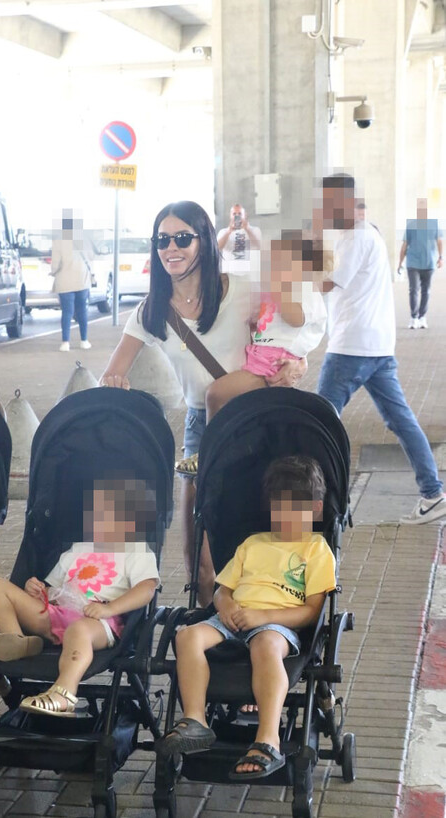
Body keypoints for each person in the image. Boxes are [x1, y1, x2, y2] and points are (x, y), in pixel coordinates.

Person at [99, 201, 307, 606]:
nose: (171, 248)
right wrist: (114, 383)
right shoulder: (151, 311)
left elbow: (292, 340)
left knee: (256, 528)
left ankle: (262, 614)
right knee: (197, 545)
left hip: (253, 418)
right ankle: (206, 617)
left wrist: (299, 365)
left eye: (182, 238)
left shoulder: (242, 290)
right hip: (201, 425)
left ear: (205, 241)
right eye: (162, 240)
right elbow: (112, 372)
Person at [158, 456, 336, 781]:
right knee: (186, 635)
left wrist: (263, 616)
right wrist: (225, 605)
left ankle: (268, 738)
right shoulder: (253, 544)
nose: (287, 518)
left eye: (297, 510)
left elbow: (312, 610)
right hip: (234, 618)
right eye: (280, 509)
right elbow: (222, 590)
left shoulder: (316, 549)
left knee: (266, 644)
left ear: (316, 509)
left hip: (278, 623)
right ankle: (195, 720)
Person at [316, 174, 446, 525]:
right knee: (400, 420)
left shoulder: (356, 237)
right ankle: (433, 493)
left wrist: (292, 271)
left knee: (317, 421)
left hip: (351, 348)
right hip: (377, 347)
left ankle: (323, 504)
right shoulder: (362, 235)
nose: (324, 210)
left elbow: (328, 282)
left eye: (328, 203)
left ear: (346, 202)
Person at [0, 479, 159, 716]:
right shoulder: (77, 549)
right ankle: (17, 641)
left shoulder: (137, 552)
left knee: (79, 630)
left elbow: (146, 589)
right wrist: (36, 590)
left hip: (98, 620)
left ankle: (64, 692)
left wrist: (110, 609)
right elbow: (53, 590)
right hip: (58, 613)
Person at [175, 230, 329, 475]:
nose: (275, 268)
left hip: (271, 363)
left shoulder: (304, 290)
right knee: (223, 399)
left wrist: (277, 290)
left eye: (283, 262)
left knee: (215, 394)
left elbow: (296, 319)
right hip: (260, 357)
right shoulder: (275, 287)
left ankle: (210, 450)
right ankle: (214, 447)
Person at [398, 198, 443, 329]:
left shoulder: (434, 224)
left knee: (426, 291)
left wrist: (441, 257)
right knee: (413, 290)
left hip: (429, 263)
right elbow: (405, 245)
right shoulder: (411, 225)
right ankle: (414, 317)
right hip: (413, 263)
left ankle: (422, 317)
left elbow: (439, 241)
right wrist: (400, 262)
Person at [51, 210, 92, 352]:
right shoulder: (84, 239)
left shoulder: (58, 241)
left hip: (65, 281)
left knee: (67, 312)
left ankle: (65, 343)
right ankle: (84, 340)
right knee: (82, 311)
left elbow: (56, 263)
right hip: (82, 280)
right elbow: (90, 258)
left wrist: (52, 272)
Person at [217, 203, 262, 278]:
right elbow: (217, 248)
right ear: (230, 216)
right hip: (230, 276)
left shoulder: (255, 230)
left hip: (249, 276)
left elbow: (258, 246)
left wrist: (247, 229)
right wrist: (229, 231)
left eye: (240, 214)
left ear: (245, 215)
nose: (237, 216)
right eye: (234, 214)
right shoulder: (223, 232)